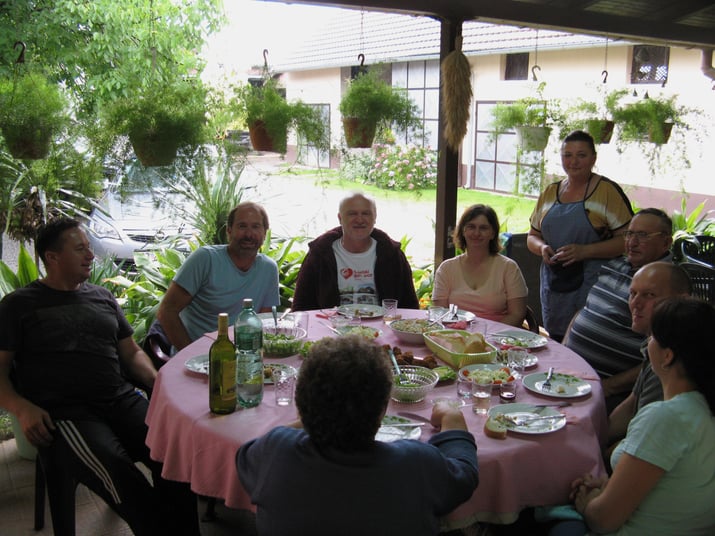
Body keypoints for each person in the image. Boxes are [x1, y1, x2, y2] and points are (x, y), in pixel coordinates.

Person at [0, 218, 199, 535]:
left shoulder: (102, 297)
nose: (90, 255)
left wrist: (157, 382)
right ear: (52, 257)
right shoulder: (18, 306)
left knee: (175, 454)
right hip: (67, 416)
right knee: (124, 480)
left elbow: (131, 353)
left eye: (89, 248)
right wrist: (22, 407)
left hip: (120, 401)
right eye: (80, 248)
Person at [236, 335, 479, 536]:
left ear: (301, 404)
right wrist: (453, 421)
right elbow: (465, 476)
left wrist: (312, 416)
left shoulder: (274, 451)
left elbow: (244, 457)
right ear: (383, 410)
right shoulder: (417, 463)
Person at [555, 297, 715, 536]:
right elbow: (668, 488)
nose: (647, 344)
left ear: (667, 356)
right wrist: (607, 488)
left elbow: (603, 520)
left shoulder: (666, 418)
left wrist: (588, 502)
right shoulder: (701, 407)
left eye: (651, 338)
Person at [527, 130, 633, 341]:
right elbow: (532, 235)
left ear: (593, 158)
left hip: (594, 285)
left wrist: (585, 251)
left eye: (581, 155)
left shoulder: (606, 192)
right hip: (554, 283)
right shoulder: (550, 192)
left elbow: (628, 241)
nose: (573, 161)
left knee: (584, 339)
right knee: (556, 339)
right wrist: (542, 248)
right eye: (568, 155)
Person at [564, 208, 673, 409]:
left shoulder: (668, 284)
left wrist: (609, 387)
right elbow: (585, 310)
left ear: (666, 242)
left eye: (643, 235)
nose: (632, 242)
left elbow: (660, 358)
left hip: (607, 390)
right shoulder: (614, 265)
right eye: (630, 234)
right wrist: (563, 352)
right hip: (569, 373)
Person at [158, 201, 280, 351]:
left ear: (264, 233)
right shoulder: (205, 259)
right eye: (242, 226)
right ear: (229, 231)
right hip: (198, 357)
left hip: (244, 357)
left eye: (255, 227)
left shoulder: (268, 268)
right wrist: (189, 354)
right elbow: (167, 311)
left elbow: (263, 322)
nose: (249, 234)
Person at [605, 262, 691, 458]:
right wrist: (595, 437)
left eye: (649, 295)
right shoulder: (654, 344)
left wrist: (597, 454)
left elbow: (644, 442)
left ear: (682, 301)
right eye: (633, 294)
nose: (636, 303)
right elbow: (630, 405)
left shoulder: (672, 360)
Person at [292, 192, 419, 311]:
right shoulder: (320, 255)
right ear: (340, 218)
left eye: (366, 213)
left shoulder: (393, 255)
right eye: (352, 213)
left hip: (383, 330)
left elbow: (410, 306)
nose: (359, 220)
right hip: (331, 330)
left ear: (375, 217)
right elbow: (301, 307)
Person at [432, 204, 528, 326]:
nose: (476, 233)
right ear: (463, 231)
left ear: (493, 233)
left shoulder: (509, 268)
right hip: (454, 337)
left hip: (496, 339)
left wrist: (488, 335)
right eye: (471, 227)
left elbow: (517, 314)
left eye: (483, 228)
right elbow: (440, 313)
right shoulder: (446, 269)